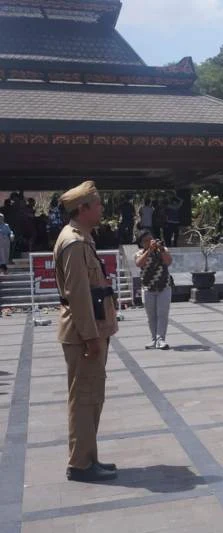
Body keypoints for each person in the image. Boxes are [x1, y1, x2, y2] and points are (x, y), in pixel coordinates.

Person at [54, 181, 118, 482]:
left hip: (90, 330)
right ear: (83, 209)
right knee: (84, 399)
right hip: (84, 334)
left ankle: (88, 457)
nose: (101, 208)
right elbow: (78, 294)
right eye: (98, 203)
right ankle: (80, 464)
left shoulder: (83, 239)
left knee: (91, 398)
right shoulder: (74, 242)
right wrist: (92, 337)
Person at [134, 230, 173, 350]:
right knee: (151, 315)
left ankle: (161, 339)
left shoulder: (163, 250)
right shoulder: (139, 253)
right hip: (148, 287)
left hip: (164, 287)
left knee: (162, 314)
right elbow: (139, 263)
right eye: (146, 241)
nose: (150, 242)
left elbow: (169, 261)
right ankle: (153, 339)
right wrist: (149, 251)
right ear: (141, 243)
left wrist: (160, 249)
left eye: (151, 239)